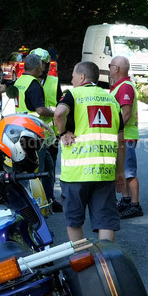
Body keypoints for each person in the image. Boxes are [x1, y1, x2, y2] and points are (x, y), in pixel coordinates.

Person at [54, 62, 125, 242]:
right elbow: (121, 140)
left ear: (82, 77)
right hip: (104, 173)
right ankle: (106, 261)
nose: (71, 80)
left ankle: (82, 262)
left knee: (75, 221)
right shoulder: (111, 99)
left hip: (76, 173)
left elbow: (59, 113)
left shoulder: (73, 94)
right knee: (106, 221)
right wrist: (120, 172)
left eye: (73, 76)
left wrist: (62, 132)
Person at [14, 53, 58, 209]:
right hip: (33, 133)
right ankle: (35, 206)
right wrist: (55, 112)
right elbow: (40, 110)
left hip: (21, 129)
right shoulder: (33, 84)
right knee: (37, 171)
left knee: (48, 166)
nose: (43, 68)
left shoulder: (20, 81)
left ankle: (48, 200)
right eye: (42, 65)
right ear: (38, 66)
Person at [109, 56, 143, 218]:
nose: (109, 69)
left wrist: (115, 131)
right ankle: (126, 200)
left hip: (126, 136)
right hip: (124, 135)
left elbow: (127, 113)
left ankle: (135, 205)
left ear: (116, 69)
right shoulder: (119, 86)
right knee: (122, 169)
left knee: (129, 171)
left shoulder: (124, 87)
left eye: (110, 66)